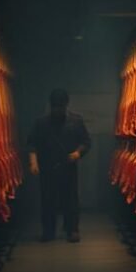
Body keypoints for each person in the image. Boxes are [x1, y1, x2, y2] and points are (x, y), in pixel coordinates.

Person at [26, 88, 91, 242]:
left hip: (68, 167)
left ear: (66, 105)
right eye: (55, 107)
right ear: (51, 106)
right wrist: (33, 162)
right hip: (48, 167)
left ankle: (72, 229)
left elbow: (86, 142)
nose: (58, 110)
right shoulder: (41, 123)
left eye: (61, 107)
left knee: (70, 199)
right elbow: (32, 144)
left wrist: (77, 153)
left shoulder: (76, 121)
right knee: (48, 200)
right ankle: (48, 231)